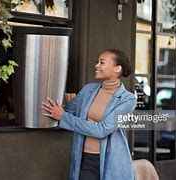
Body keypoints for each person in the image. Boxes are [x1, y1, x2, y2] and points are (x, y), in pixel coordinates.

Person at [42, 49, 136, 180]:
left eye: (102, 62)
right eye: (97, 62)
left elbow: (103, 130)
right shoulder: (88, 89)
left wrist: (64, 117)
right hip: (84, 158)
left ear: (117, 68)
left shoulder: (128, 99)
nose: (97, 65)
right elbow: (66, 111)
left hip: (112, 161)